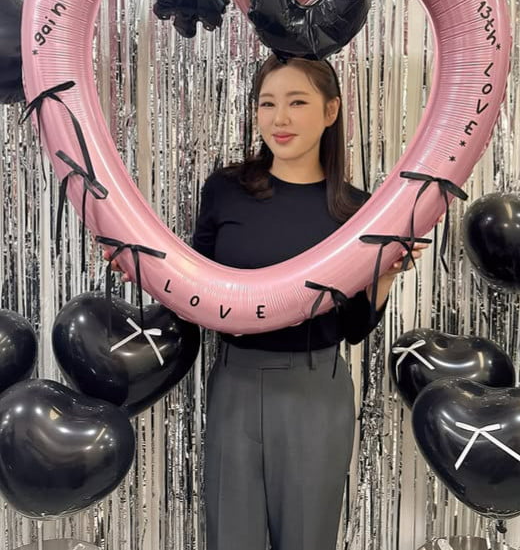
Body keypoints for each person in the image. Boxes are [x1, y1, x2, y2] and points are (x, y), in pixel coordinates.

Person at [105, 53, 428, 550]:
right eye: (267, 103)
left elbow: (353, 328)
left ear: (330, 111)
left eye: (297, 102)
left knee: (307, 539)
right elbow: (193, 290)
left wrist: (383, 276)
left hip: (316, 389)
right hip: (235, 381)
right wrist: (138, 265)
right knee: (232, 537)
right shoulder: (226, 190)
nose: (280, 118)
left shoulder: (359, 212)